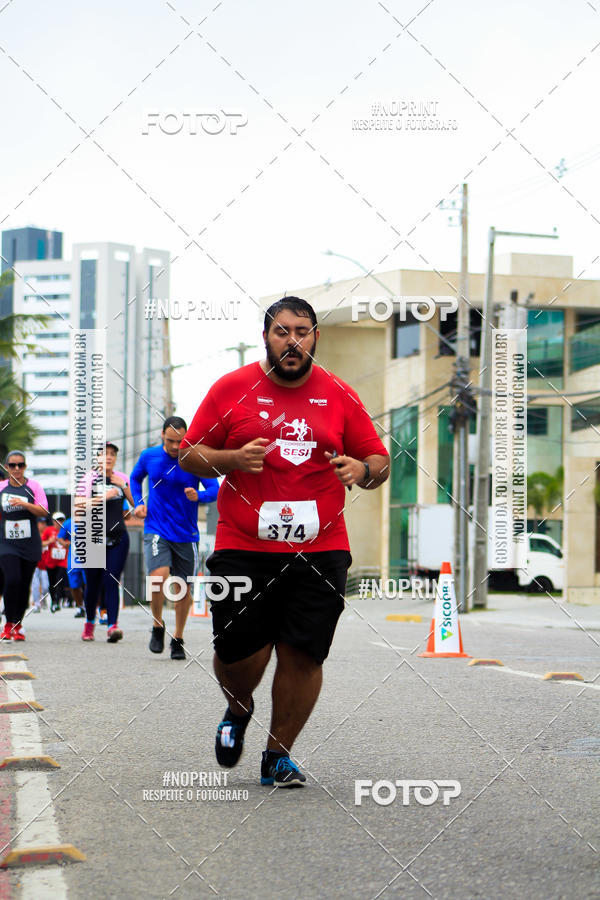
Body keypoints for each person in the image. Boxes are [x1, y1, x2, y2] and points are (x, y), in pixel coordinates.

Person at [179, 297, 389, 787]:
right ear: (266, 336)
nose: (292, 340)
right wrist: (231, 460)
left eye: (302, 330)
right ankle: (238, 707)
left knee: (304, 652)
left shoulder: (339, 394)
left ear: (316, 336)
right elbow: (189, 454)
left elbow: (378, 462)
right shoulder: (232, 388)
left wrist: (361, 470)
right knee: (239, 655)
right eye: (281, 331)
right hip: (244, 546)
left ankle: (278, 754)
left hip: (320, 547)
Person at [130, 416, 219, 660]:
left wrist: (198, 496)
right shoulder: (149, 456)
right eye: (170, 441)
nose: (174, 447)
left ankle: (178, 638)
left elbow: (215, 490)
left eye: (179, 441)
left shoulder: (194, 459)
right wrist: (138, 503)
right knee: (158, 577)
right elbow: (135, 479)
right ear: (162, 436)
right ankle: (158, 626)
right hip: (156, 527)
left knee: (182, 588)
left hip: (186, 533)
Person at [75, 441, 134, 643]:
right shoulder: (88, 479)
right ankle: (89, 623)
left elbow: (137, 504)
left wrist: (124, 487)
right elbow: (79, 505)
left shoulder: (122, 478)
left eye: (112, 454)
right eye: (104, 453)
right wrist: (103, 497)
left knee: (112, 580)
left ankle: (112, 626)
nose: (108, 457)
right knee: (92, 584)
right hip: (93, 539)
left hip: (118, 537)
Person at [0, 450, 49, 640]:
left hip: (29, 544)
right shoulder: (2, 487)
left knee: (24, 585)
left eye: (20, 465)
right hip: (6, 543)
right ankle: (8, 624)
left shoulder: (34, 486)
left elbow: (43, 510)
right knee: (12, 579)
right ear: (7, 467)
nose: (17, 469)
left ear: (25, 467)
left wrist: (25, 504)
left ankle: (18, 625)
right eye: (12, 465)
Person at [56, 516, 86, 618]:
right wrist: (64, 543)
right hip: (74, 559)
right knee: (74, 585)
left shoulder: (93, 519)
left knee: (90, 583)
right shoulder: (69, 522)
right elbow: (60, 537)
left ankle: (94, 607)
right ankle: (80, 607)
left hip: (89, 558)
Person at [42, 511, 68, 612]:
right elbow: (41, 543)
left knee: (59, 579)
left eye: (61, 520)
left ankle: (59, 599)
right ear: (53, 521)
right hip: (50, 560)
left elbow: (74, 541)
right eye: (57, 520)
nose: (59, 523)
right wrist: (50, 541)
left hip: (62, 560)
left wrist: (67, 543)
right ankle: (54, 601)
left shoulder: (66, 530)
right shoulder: (48, 530)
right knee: (52, 582)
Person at [30, 517, 50, 613]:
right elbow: (36, 544)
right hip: (35, 564)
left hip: (45, 565)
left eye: (44, 523)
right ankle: (36, 604)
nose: (43, 525)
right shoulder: (33, 534)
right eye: (41, 523)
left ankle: (43, 599)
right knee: (35, 585)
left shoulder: (49, 534)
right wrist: (49, 542)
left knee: (46, 586)